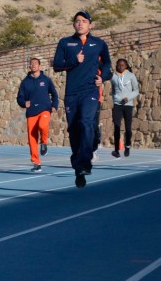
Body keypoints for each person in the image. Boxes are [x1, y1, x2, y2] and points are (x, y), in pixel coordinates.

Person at [53, 10, 112, 188]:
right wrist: (74, 60)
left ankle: (85, 162)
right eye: (77, 21)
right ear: (74, 24)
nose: (80, 23)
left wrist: (105, 77)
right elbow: (56, 65)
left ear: (90, 25)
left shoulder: (99, 44)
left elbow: (108, 63)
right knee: (74, 130)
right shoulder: (65, 43)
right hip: (72, 93)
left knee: (86, 122)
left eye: (84, 21)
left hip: (90, 91)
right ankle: (78, 167)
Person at [16, 58, 59, 172]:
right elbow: (20, 97)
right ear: (29, 67)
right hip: (31, 113)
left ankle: (44, 142)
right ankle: (36, 162)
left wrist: (54, 105)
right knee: (32, 138)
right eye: (31, 64)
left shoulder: (46, 80)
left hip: (45, 109)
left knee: (43, 126)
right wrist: (24, 103)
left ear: (39, 66)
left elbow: (54, 94)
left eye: (35, 63)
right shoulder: (25, 82)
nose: (33, 65)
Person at [111, 58, 139, 158]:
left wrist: (128, 98)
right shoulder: (113, 76)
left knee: (128, 128)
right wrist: (116, 99)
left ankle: (127, 146)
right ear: (116, 66)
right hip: (117, 104)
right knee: (117, 127)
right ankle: (116, 150)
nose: (121, 67)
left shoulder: (131, 76)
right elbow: (113, 90)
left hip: (128, 105)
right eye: (119, 65)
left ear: (126, 66)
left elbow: (136, 90)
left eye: (123, 65)